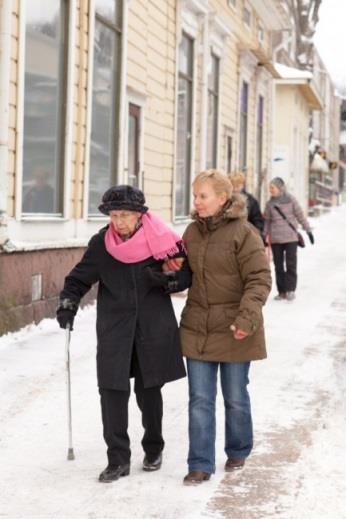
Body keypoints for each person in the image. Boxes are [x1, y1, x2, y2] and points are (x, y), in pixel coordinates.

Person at [56, 185, 191, 483]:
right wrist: (68, 304)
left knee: (149, 391)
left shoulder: (162, 241)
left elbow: (184, 275)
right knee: (111, 391)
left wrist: (164, 280)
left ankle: (153, 446)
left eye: (126, 215)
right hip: (115, 329)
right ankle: (117, 458)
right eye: (114, 215)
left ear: (140, 215)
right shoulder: (102, 244)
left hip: (151, 327)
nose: (119, 222)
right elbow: (78, 279)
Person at [179, 170, 271, 485]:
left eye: (203, 196)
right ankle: (200, 463)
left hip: (235, 326)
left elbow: (259, 279)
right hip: (199, 326)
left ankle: (238, 449)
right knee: (200, 399)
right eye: (195, 196)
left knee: (234, 396)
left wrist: (246, 319)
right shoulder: (191, 232)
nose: (197, 202)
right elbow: (186, 275)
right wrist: (169, 275)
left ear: (222, 198)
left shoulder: (244, 233)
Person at [263, 177, 314, 301]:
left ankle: (290, 290)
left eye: (272, 187)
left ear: (279, 188)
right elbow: (267, 222)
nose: (270, 190)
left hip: (291, 238)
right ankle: (281, 292)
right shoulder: (270, 204)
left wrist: (308, 230)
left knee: (291, 265)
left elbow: (300, 215)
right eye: (269, 188)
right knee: (278, 266)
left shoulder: (291, 200)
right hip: (276, 239)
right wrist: (264, 235)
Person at [229, 171, 265, 237]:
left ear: (242, 185)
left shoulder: (251, 201)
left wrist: (254, 234)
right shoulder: (225, 199)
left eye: (237, 186)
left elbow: (257, 221)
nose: (234, 189)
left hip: (245, 236)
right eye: (232, 186)